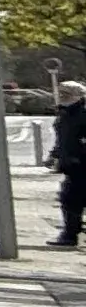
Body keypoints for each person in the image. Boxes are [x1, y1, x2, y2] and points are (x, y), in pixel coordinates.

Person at [54, 79, 86, 248]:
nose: (62, 96)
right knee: (70, 199)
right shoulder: (65, 113)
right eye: (61, 93)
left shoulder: (81, 113)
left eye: (66, 93)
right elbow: (63, 138)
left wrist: (79, 154)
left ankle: (70, 235)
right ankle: (70, 234)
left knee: (71, 199)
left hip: (81, 164)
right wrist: (55, 154)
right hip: (71, 165)